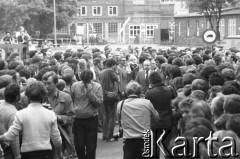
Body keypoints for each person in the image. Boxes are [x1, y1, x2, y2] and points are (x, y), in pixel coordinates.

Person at [0, 81, 62, 159]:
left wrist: (1, 137)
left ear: (27, 96)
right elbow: (57, 140)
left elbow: (11, 135)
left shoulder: (20, 114)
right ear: (43, 96)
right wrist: (59, 154)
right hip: (45, 153)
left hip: (27, 154)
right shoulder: (50, 114)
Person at [117, 81, 159, 159]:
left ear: (127, 92)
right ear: (140, 92)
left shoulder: (121, 104)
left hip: (129, 141)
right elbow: (157, 117)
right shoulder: (147, 103)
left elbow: (120, 122)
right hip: (145, 139)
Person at [71, 69, 103, 159]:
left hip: (91, 119)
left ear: (91, 79)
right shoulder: (75, 85)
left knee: (91, 147)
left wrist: (90, 93)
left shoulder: (97, 86)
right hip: (78, 119)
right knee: (79, 146)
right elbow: (72, 99)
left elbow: (99, 103)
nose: (85, 83)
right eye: (83, 81)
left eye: (87, 81)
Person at [42, 71, 75, 158]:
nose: (46, 86)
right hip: (43, 136)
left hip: (60, 134)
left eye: (49, 83)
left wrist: (56, 117)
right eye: (44, 83)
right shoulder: (39, 97)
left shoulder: (65, 97)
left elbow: (71, 117)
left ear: (56, 83)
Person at [145, 71, 174, 158]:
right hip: (167, 120)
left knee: (154, 145)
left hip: (155, 121)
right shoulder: (169, 89)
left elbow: (148, 106)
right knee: (168, 144)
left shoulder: (149, 93)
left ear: (151, 81)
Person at [99, 59, 120, 141]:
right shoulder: (111, 71)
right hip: (111, 95)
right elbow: (117, 79)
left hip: (103, 95)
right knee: (112, 117)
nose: (116, 67)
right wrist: (116, 72)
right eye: (115, 65)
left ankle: (104, 135)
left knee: (105, 116)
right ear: (113, 64)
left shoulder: (101, 72)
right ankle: (110, 136)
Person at [0, 84, 21, 159]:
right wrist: (17, 155)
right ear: (17, 97)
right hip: (6, 149)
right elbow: (14, 137)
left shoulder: (1, 103)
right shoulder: (13, 113)